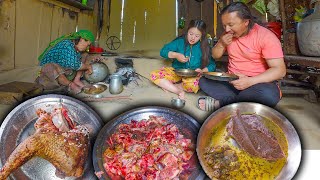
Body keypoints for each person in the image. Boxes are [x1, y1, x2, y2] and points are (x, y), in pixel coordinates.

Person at [198, 2, 286, 111]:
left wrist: (250, 81)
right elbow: (215, 56)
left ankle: (222, 104)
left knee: (267, 94)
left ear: (246, 22)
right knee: (204, 80)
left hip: (257, 83)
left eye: (230, 25)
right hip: (232, 82)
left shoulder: (266, 36)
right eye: (224, 25)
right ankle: (239, 102)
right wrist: (221, 43)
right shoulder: (227, 35)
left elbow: (280, 70)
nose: (226, 29)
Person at [150, 20, 216, 99]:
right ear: (187, 31)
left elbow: (212, 64)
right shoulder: (179, 42)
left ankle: (171, 86)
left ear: (202, 36)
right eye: (190, 34)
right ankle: (178, 91)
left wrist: (202, 70)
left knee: (193, 85)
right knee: (154, 75)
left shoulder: (204, 47)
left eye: (197, 36)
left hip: (193, 75)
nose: (193, 38)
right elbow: (163, 51)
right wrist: (176, 55)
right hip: (176, 71)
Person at [35, 30, 95, 94]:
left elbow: (79, 61)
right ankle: (71, 85)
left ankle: (76, 80)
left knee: (85, 55)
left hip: (62, 70)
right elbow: (75, 65)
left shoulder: (75, 48)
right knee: (52, 66)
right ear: (82, 39)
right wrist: (88, 67)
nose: (87, 47)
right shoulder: (67, 44)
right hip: (48, 72)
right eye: (87, 44)